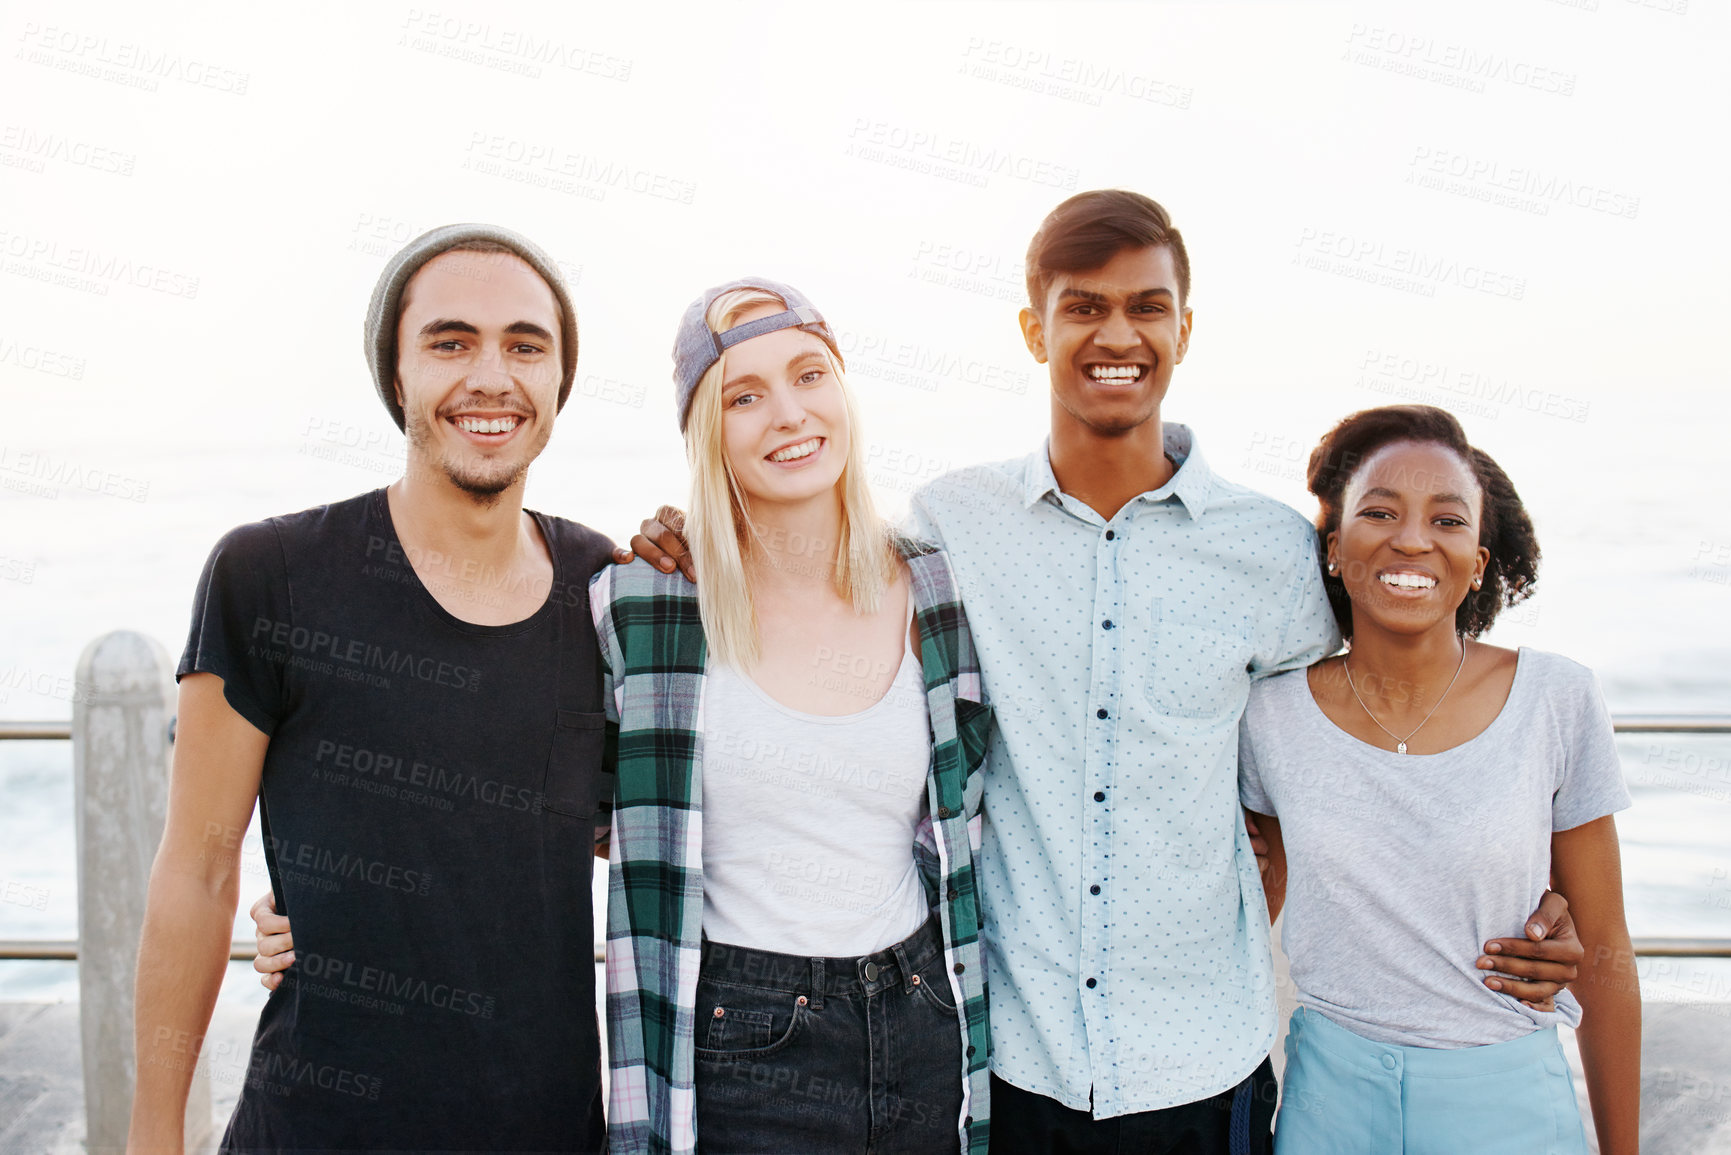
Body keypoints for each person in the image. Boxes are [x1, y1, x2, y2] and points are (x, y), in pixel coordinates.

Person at [631, 190, 1586, 1154]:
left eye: (1145, 305)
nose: (1116, 333)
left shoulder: (1269, 552)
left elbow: (1364, 736)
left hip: (1205, 1061)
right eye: (1083, 307)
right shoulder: (953, 527)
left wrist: (1530, 894)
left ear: (1183, 328)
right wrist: (686, 534)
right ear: (1033, 330)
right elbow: (809, 562)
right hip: (1012, 1059)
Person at [130, 225, 626, 1153]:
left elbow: (638, 827)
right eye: (449, 342)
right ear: (395, 376)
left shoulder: (603, 586)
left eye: (525, 345)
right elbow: (195, 873)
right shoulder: (269, 573)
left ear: (559, 380)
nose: (490, 375)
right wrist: (151, 1141)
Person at [593, 278, 991, 1155]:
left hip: (925, 1011)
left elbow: (985, 798)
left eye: (809, 375)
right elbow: (548, 813)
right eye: (744, 395)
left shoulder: (937, 589)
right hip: (743, 1042)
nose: (787, 413)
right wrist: (308, 917)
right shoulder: (641, 606)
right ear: (707, 432)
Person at [1239, 405, 1639, 1154]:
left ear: (1479, 561)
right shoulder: (1268, 713)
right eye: (1379, 511)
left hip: (1508, 1104)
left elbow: (1606, 943)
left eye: (1447, 520)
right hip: (1327, 1103)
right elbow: (1251, 903)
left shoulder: (1555, 698)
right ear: (1334, 548)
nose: (1412, 538)